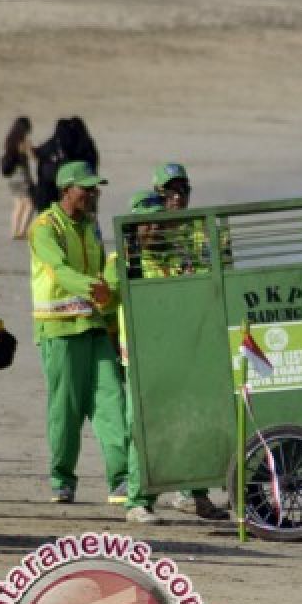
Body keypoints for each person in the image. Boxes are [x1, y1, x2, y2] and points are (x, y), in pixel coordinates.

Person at [104, 192, 229, 523]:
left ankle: (197, 495)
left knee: (193, 424)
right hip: (143, 361)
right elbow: (106, 295)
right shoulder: (123, 261)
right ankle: (137, 501)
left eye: (162, 225)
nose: (156, 232)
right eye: (150, 225)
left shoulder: (177, 259)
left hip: (182, 356)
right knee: (144, 430)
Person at [28, 160, 129, 509]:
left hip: (94, 327)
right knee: (66, 410)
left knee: (112, 403)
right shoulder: (44, 227)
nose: (92, 193)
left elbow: (103, 271)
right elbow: (58, 269)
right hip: (58, 330)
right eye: (86, 188)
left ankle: (121, 481)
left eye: (95, 187)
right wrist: (92, 288)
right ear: (66, 190)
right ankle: (62, 479)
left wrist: (111, 287)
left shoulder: (91, 226)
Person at [1, 116, 36, 240]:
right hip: (21, 175)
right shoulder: (23, 141)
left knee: (18, 204)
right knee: (31, 203)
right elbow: (33, 156)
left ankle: (14, 231)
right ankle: (22, 231)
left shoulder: (9, 140)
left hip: (11, 176)